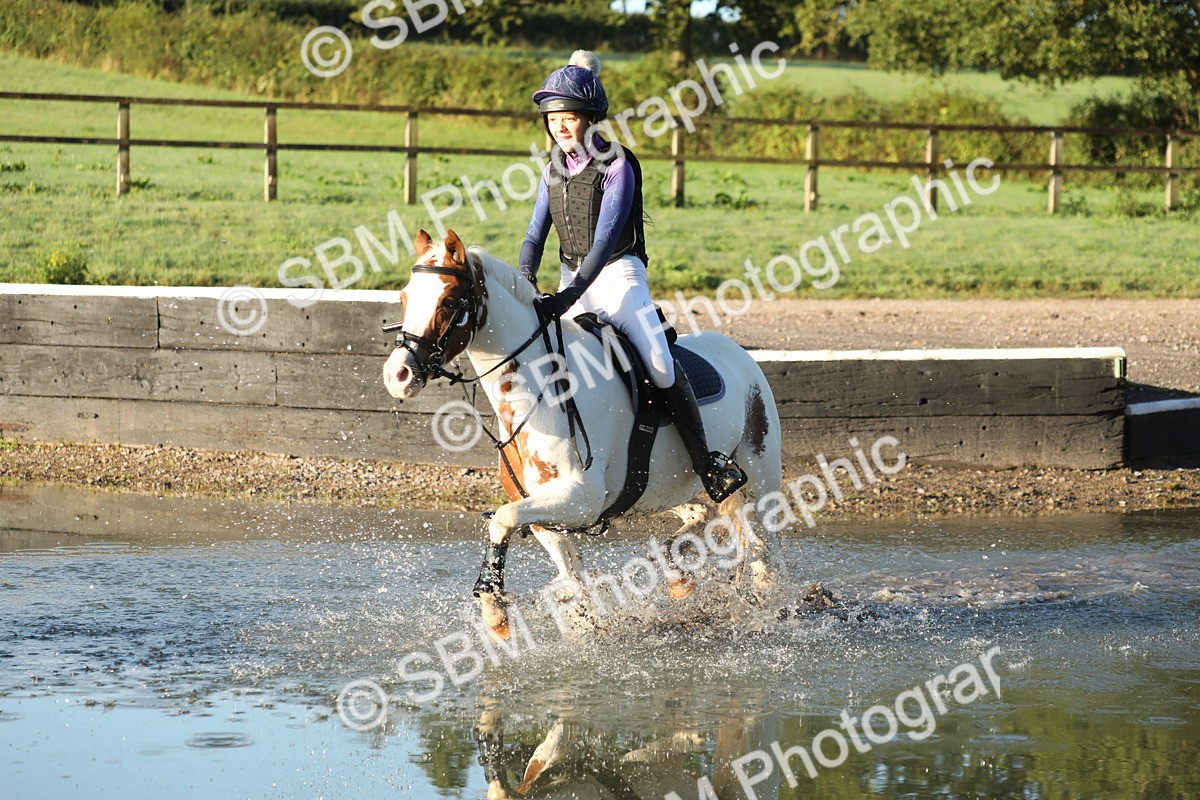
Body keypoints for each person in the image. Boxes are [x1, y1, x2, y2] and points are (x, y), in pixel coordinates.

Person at [519, 50, 747, 503]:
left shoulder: (617, 164)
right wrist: (526, 279)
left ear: (590, 119)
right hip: (571, 280)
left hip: (617, 277)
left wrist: (566, 299)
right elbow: (533, 236)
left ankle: (707, 462)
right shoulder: (552, 169)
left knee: (659, 364)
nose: (560, 126)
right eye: (553, 118)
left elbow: (604, 241)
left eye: (569, 117)